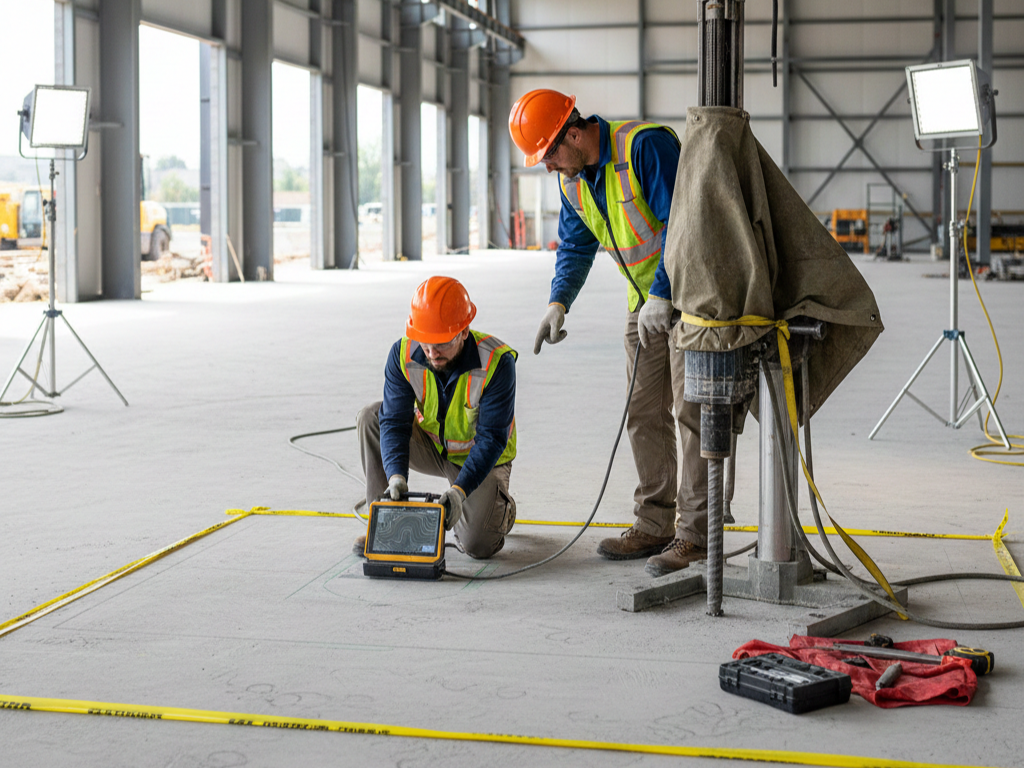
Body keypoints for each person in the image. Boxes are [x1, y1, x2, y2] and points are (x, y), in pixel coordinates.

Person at [508, 89, 707, 577]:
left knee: (692, 413)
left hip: (690, 299)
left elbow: (686, 225)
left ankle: (698, 534)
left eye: (550, 154)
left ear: (573, 134)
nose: (550, 167)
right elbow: (575, 246)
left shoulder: (645, 147)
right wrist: (559, 303)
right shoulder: (573, 181)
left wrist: (663, 293)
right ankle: (655, 522)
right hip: (643, 305)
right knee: (642, 413)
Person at [354, 276, 518, 559]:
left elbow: (491, 439)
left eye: (441, 343)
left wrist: (459, 491)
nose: (431, 352)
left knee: (478, 545)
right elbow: (393, 422)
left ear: (464, 332)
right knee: (372, 417)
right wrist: (396, 476)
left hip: (479, 457)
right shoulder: (403, 354)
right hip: (432, 446)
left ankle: (503, 510)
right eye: (425, 342)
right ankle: (382, 524)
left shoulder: (496, 363)